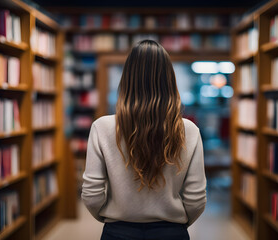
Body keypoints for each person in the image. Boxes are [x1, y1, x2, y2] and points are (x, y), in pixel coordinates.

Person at [82, 40, 207, 240]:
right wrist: (175, 223)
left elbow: (91, 195)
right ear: (169, 80)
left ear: (127, 79)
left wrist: (113, 217)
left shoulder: (102, 127)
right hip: (171, 232)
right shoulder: (189, 130)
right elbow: (196, 199)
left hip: (118, 232)